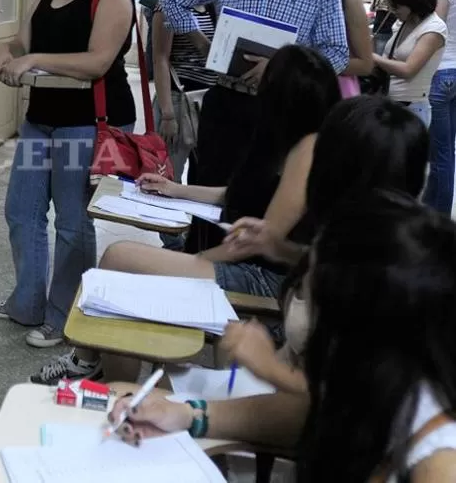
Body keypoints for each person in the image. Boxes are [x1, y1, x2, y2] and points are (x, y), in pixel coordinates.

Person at [30, 45, 340, 384]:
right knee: (121, 270)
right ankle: (100, 367)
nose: (252, 87)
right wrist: (174, 189)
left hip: (264, 276)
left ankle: (95, 366)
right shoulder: (281, 140)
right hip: (247, 262)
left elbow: (264, 239)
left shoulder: (309, 149)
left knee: (119, 259)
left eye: (260, 82)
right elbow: (237, 195)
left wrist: (200, 259)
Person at [108, 191, 456, 482]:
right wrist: (188, 414)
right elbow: (311, 413)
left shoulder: (439, 461)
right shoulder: (386, 379)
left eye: (313, 302)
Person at [0, 0, 136, 348]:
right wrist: (4, 51)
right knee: (22, 211)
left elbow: (97, 62)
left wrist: (32, 58)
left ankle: (64, 315)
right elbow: (22, 39)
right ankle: (26, 303)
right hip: (41, 118)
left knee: (71, 222)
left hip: (85, 124)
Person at [159, 0, 348, 233]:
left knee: (262, 207)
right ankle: (201, 271)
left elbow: (336, 51)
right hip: (226, 102)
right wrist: (202, 42)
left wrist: (284, 70)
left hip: (282, 111)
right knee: (207, 208)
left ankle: (250, 282)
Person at [218, 95, 430, 394]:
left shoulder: (391, 277)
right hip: (284, 399)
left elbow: (353, 398)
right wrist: (278, 247)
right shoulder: (352, 234)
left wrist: (267, 366)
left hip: (315, 423)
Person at [151, 0, 237, 250]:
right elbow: (160, 58)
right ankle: (170, 244)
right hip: (177, 98)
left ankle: (196, 244)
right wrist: (168, 114)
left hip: (211, 103)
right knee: (169, 176)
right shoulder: (171, 2)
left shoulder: (218, 4)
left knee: (205, 178)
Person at [373, 0, 447, 128]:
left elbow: (408, 70)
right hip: (389, 104)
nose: (393, 10)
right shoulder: (403, 23)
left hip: (411, 110)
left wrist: (371, 57)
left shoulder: (434, 28)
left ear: (413, 1)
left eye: (397, 5)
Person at [424, 0, 456, 214]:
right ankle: (431, 210)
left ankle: (439, 218)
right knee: (448, 150)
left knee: (440, 153)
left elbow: (436, 27)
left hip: (442, 71)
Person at [140, 0, 176, 80]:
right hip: (153, 8)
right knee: (152, 41)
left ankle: (148, 71)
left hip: (148, 8)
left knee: (151, 40)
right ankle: (150, 72)